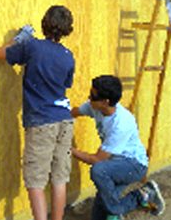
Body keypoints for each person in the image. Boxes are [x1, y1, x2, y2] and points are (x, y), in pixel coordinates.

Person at [0, 5, 75, 220]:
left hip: (42, 122)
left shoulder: (32, 47)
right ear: (67, 29)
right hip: (64, 121)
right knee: (59, 178)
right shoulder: (68, 56)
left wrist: (19, 39)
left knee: (36, 180)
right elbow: (65, 83)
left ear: (45, 23)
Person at [71, 75, 165, 220]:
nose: (89, 98)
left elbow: (96, 160)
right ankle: (144, 194)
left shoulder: (121, 123)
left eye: (92, 96)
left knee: (99, 171)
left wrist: (68, 150)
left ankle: (138, 197)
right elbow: (74, 112)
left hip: (133, 165)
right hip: (114, 165)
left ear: (105, 102)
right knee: (98, 215)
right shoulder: (94, 106)